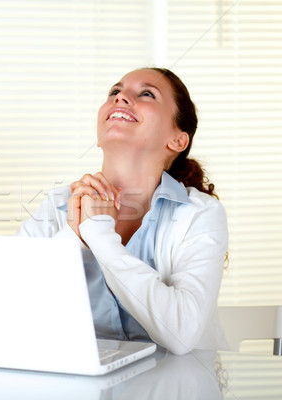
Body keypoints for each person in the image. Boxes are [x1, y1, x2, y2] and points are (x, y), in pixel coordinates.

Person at [17, 68, 229, 355]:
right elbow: (11, 310)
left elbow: (182, 334)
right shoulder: (57, 206)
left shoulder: (200, 214)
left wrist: (99, 235)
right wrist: (73, 237)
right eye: (114, 92)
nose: (121, 98)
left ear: (177, 141)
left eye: (146, 94)